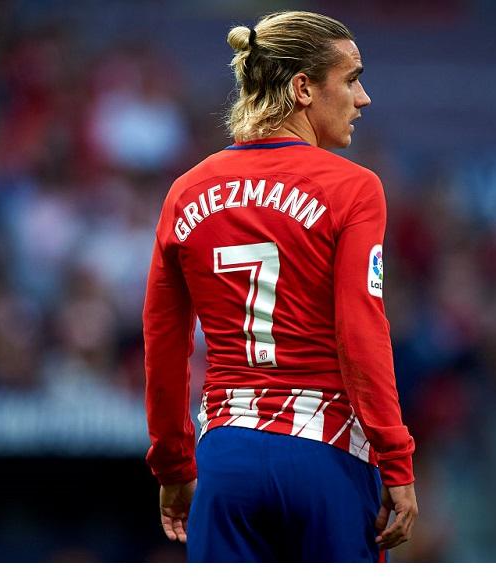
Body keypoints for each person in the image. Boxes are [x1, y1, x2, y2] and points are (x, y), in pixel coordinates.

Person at [143, 11, 418, 562]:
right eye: (351, 79)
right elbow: (361, 330)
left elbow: (163, 341)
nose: (362, 98)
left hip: (226, 460)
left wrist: (173, 464)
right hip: (326, 455)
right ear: (302, 88)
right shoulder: (353, 188)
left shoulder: (186, 191)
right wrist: (396, 456)